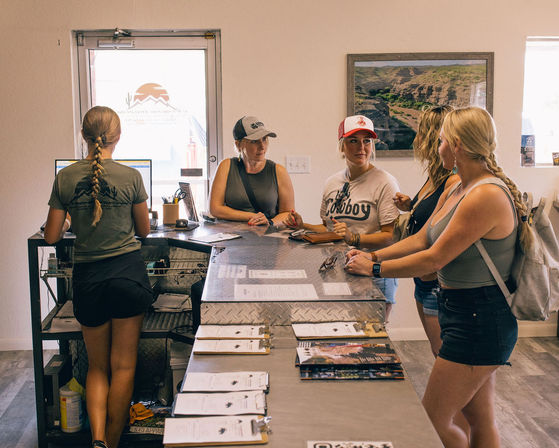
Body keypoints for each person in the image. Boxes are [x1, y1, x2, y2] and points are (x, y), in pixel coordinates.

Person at [345, 106, 531, 447]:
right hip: (462, 312)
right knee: (479, 419)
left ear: (457, 144)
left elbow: (433, 259)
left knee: (430, 423)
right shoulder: (458, 186)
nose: (437, 146)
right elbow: (421, 238)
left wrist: (374, 268)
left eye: (442, 140)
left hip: (481, 319)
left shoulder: (486, 194)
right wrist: (373, 254)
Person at [44, 106, 153, 448]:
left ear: (83, 136)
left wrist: (65, 223)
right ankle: (115, 442)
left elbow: (49, 237)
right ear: (117, 138)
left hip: (89, 279)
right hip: (127, 275)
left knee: (96, 367)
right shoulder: (131, 177)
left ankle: (98, 439)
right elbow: (144, 230)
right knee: (123, 368)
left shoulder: (65, 178)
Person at [285, 115, 400, 318]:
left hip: (374, 271)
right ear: (341, 146)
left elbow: (390, 236)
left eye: (367, 141)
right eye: (353, 141)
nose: (361, 148)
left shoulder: (385, 182)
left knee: (370, 337)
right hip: (338, 270)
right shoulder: (332, 182)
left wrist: (354, 238)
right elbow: (330, 228)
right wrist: (305, 226)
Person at [392, 105, 458, 357]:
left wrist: (376, 263)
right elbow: (433, 218)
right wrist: (411, 205)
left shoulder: (452, 181)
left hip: (436, 281)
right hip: (424, 278)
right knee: (437, 351)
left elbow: (438, 234)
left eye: (421, 133)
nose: (416, 139)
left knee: (444, 356)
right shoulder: (434, 175)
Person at [209, 115, 294, 226]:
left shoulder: (279, 171)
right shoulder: (226, 166)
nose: (262, 146)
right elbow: (215, 208)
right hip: (233, 238)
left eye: (264, 139)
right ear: (238, 145)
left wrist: (270, 222)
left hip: (267, 239)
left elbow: (288, 213)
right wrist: (252, 217)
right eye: (254, 141)